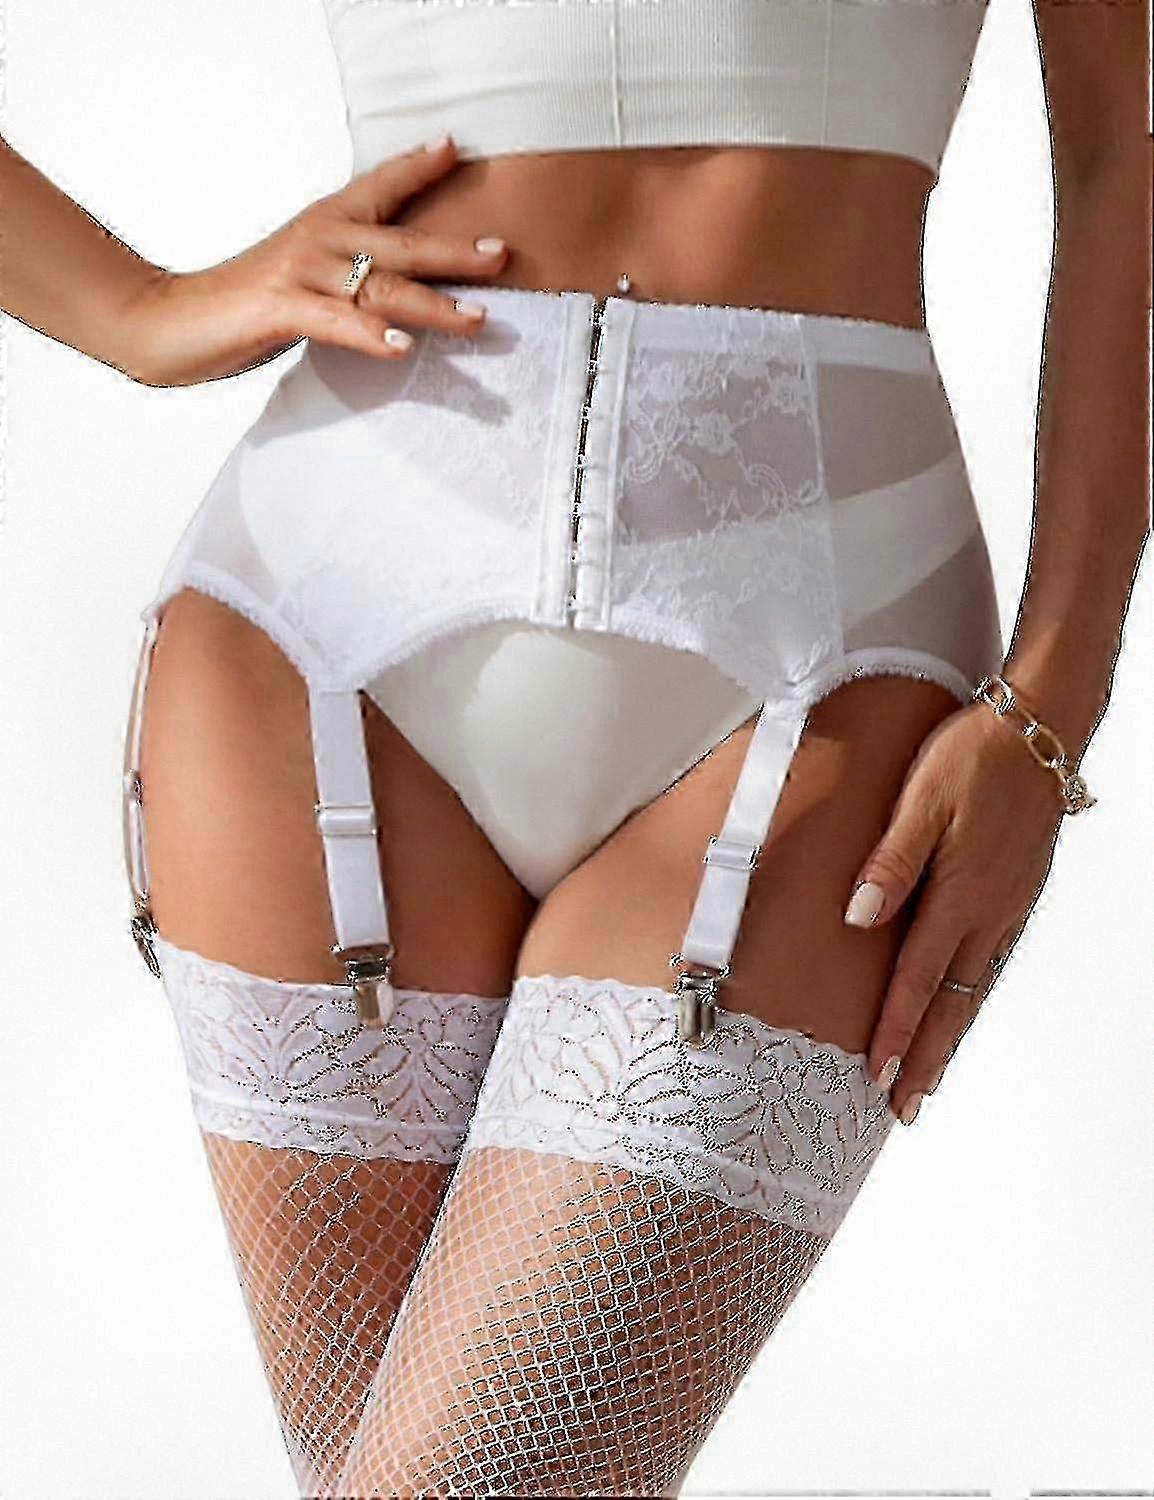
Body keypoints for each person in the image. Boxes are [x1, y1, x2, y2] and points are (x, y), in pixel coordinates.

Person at [1, 0, 1147, 1493]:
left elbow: (1121, 152)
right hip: (317, 627)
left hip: (821, 648)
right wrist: (139, 315)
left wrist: (1056, 694)